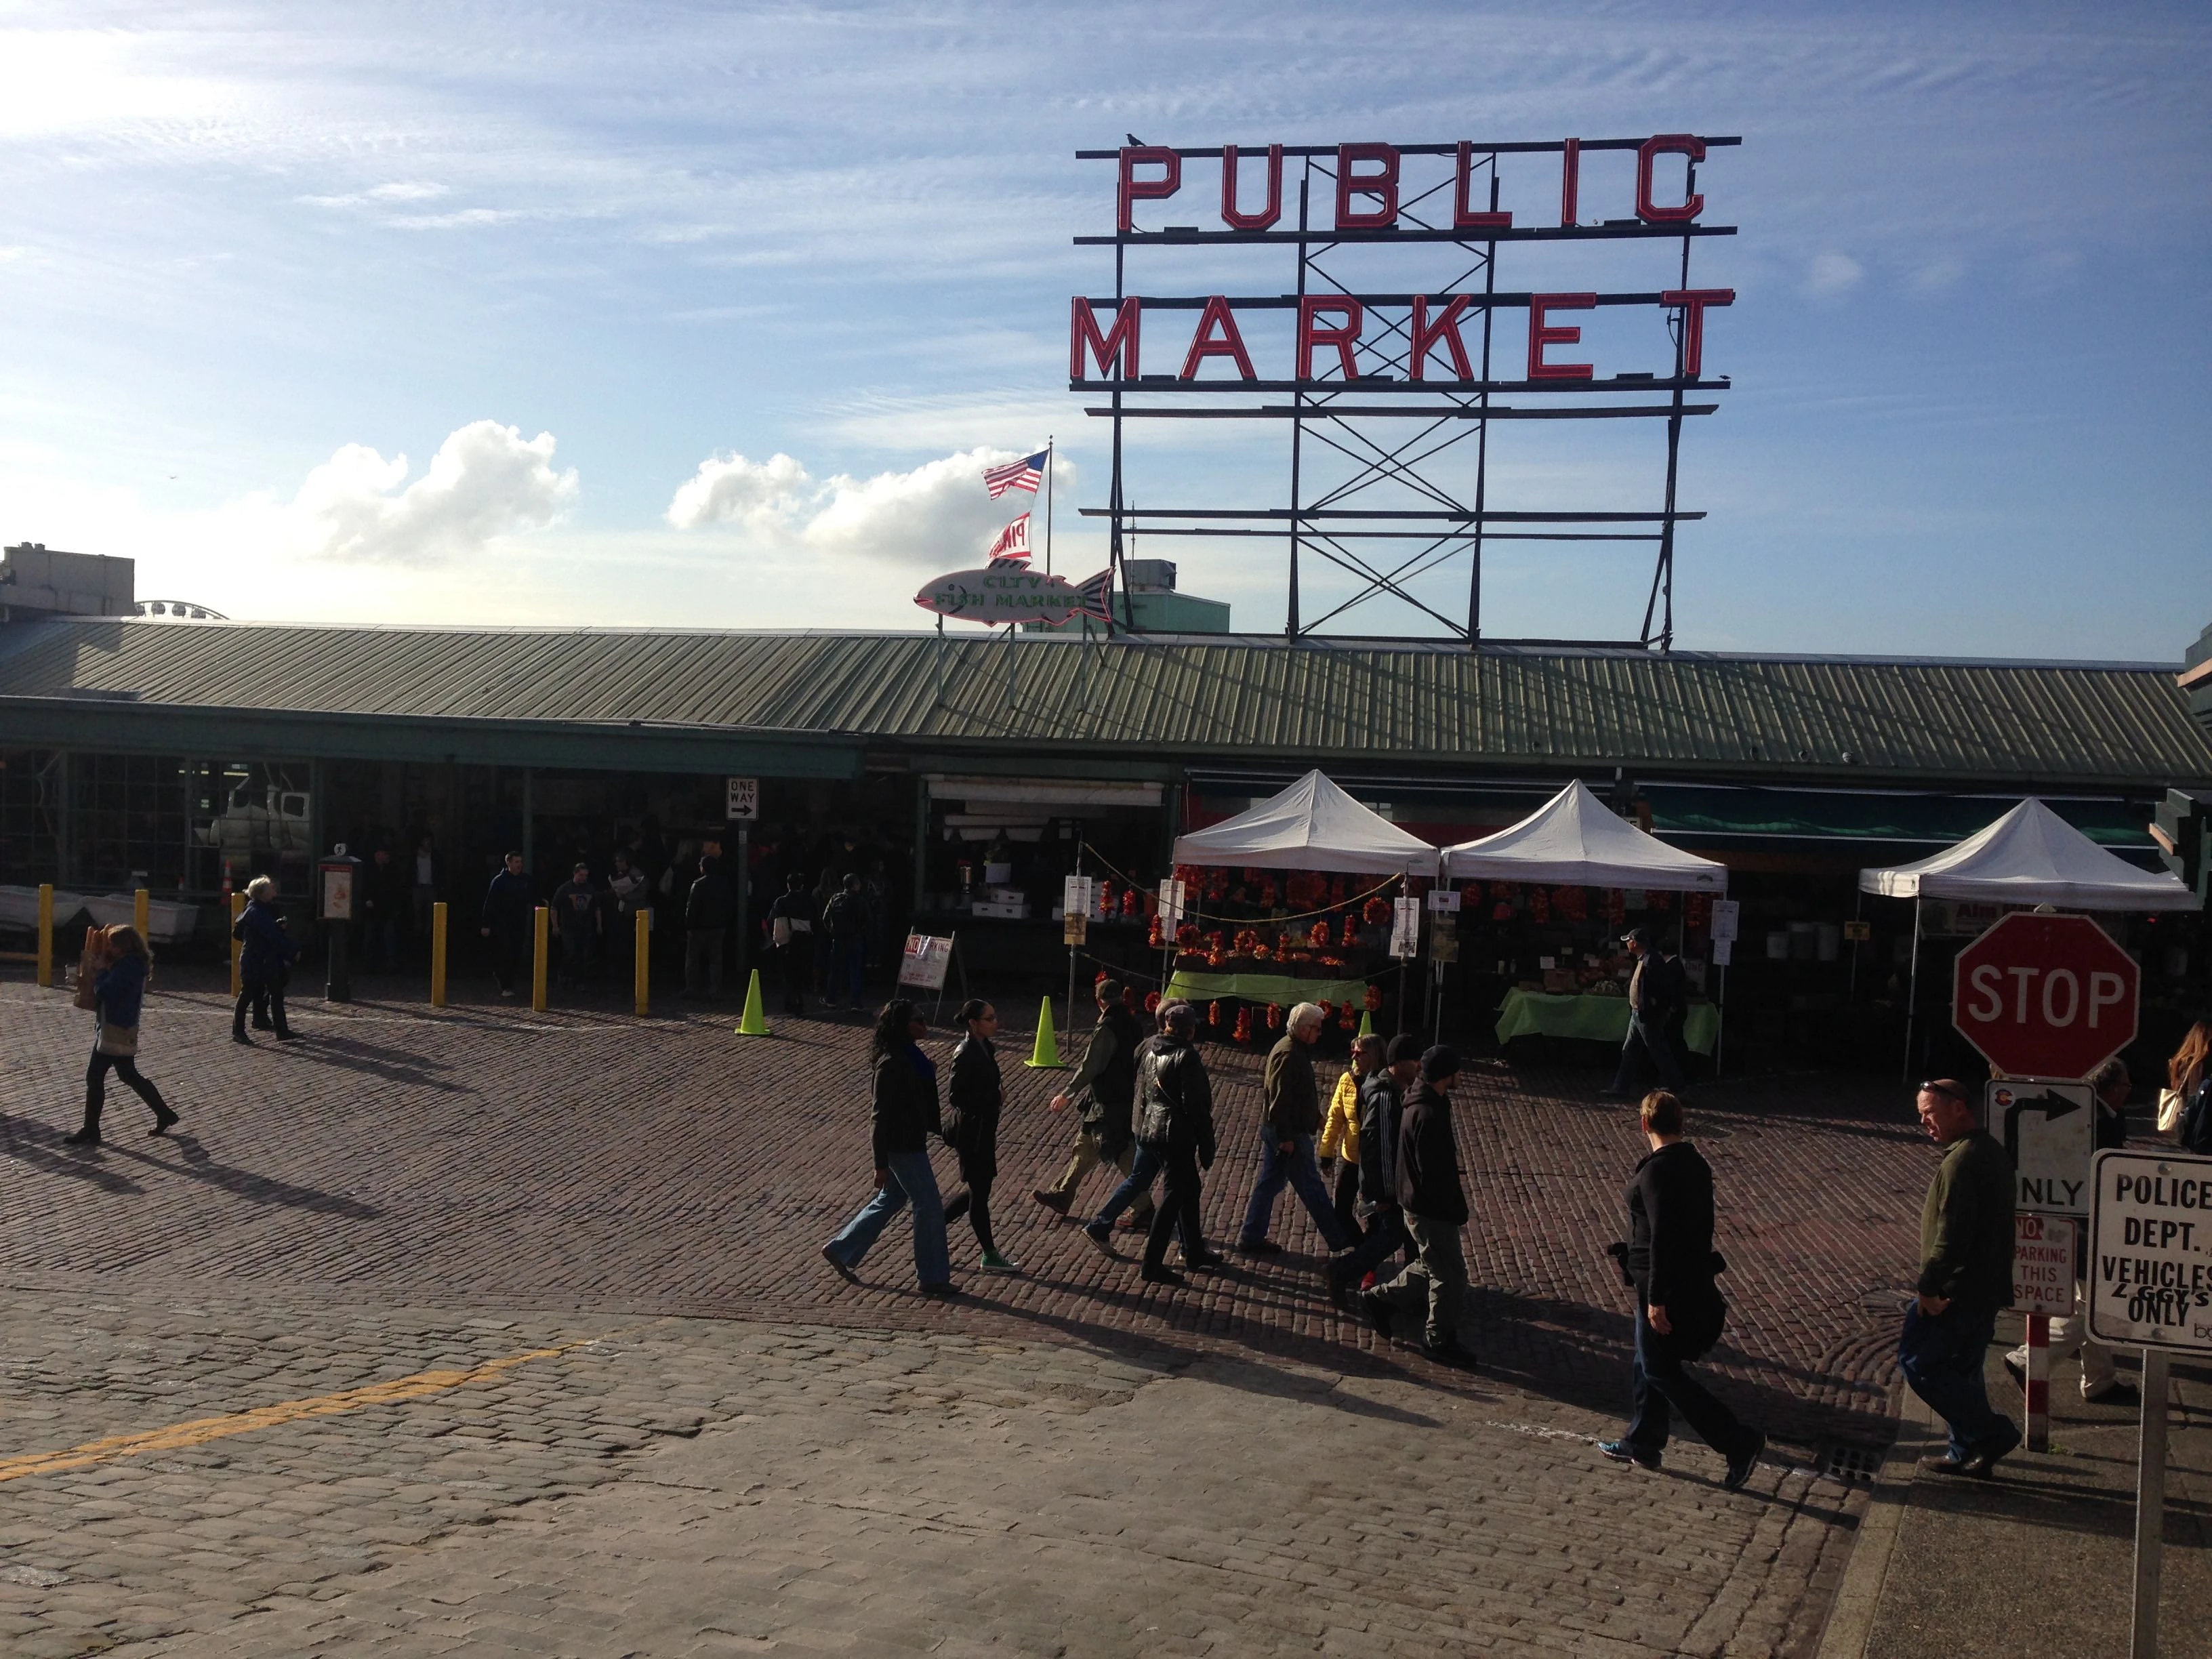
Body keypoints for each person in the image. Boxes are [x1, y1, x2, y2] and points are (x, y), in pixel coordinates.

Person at [1598, 1090, 1764, 1488]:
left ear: (1644, 1124)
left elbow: (1661, 1238)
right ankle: (1643, 1442)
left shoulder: (1658, 1170)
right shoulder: (1695, 1163)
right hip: (1685, 1279)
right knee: (1645, 1361)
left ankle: (1737, 1441)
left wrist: (1655, 1298)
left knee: (1660, 1370)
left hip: (1663, 1287)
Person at [1901, 1078, 2020, 1477]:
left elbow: (1952, 1235)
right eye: (1921, 1115)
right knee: (1964, 1371)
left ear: (1958, 1108)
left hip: (1959, 1291)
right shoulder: (1987, 1153)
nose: (1925, 1123)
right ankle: (1967, 1451)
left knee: (1919, 1363)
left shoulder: (1963, 1161)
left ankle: (1991, 1434)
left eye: (1929, 1113)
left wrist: (1928, 1287)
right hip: (1983, 1287)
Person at [2004, 1058, 2136, 1404]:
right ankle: (2027, 1361)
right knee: (2092, 1308)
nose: (2129, 1091)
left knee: (2094, 1302)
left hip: (2083, 1225)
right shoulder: (2093, 1120)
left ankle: (2100, 1381)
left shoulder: (2098, 1114)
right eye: (2125, 1085)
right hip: (2087, 1227)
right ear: (2110, 1087)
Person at [820, 1000, 954, 1295]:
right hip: (902, 1146)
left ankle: (841, 1249)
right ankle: (932, 1276)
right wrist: (879, 1163)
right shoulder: (892, 1063)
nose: (925, 1024)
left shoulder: (911, 1056)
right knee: (928, 1205)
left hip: (909, 1141)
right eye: (919, 1020)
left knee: (892, 1199)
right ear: (904, 1026)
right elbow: (878, 1117)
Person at [1361, 1044, 1475, 1366]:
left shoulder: (1428, 1102)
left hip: (1421, 1205)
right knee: (1450, 1275)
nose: (1461, 1076)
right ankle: (1438, 1339)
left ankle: (1378, 1300)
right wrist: (1452, 1209)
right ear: (1447, 1074)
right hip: (1430, 1210)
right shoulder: (1427, 1112)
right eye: (1458, 1070)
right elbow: (1433, 1174)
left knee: (1430, 1266)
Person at [1032, 981, 1153, 1230]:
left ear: (1099, 1002)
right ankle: (1063, 1194)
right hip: (1116, 1099)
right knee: (1085, 1145)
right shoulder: (1132, 1024)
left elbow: (1091, 1066)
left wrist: (1068, 1094)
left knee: (1121, 1153)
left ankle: (1144, 1208)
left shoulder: (1107, 1028)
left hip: (1111, 1102)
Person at [1236, 1002, 1353, 1258]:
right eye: (1317, 1029)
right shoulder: (1289, 1055)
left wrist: (1319, 1120)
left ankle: (1251, 1236)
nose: (1319, 1034)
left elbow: (1298, 1096)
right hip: (1288, 1133)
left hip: (1282, 1129)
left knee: (1269, 1184)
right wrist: (1286, 1138)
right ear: (1303, 1029)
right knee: (1312, 1187)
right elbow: (1281, 1101)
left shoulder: (1292, 1051)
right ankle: (1338, 1239)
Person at [1327, 1033, 1421, 1305]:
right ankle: (1342, 1272)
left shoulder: (1396, 1090)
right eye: (1414, 1061)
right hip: (1390, 1187)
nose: (1418, 1067)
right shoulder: (1385, 1097)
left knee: (1402, 1236)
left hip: (1399, 1184)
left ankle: (1414, 1288)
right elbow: (1377, 1148)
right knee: (1393, 1236)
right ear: (1399, 1063)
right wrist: (1386, 1194)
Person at [64, 926, 177, 1145]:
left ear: (124, 946)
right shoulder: (133, 965)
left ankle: (91, 1129)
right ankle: (164, 1113)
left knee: (95, 1078)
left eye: (113, 945)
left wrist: (102, 972)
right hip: (121, 1025)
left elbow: (106, 992)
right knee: (128, 1075)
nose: (110, 948)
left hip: (115, 1026)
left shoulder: (127, 967)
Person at [1134, 1000, 1219, 1286]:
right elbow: (1195, 1106)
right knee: (1172, 1198)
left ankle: (1194, 1251)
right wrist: (1207, 1144)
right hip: (1176, 1136)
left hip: (1153, 1131)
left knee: (1189, 1188)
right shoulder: (1187, 1057)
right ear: (1190, 1031)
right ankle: (1152, 1264)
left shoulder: (1151, 1050)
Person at [942, 998, 1019, 1273]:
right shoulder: (965, 1053)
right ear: (974, 1024)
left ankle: (933, 1225)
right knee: (979, 1192)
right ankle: (989, 1253)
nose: (996, 1022)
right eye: (989, 1018)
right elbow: (956, 1096)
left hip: (984, 1131)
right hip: (972, 1135)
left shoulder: (985, 1047)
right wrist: (994, 1097)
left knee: (979, 1189)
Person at [1604, 926, 1689, 1098]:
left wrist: (1655, 1007)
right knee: (1630, 1051)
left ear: (1634, 942)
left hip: (1646, 1015)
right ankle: (1621, 1087)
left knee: (1659, 1051)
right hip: (1638, 1013)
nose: (1627, 944)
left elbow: (1661, 988)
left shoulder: (1652, 961)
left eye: (1628, 941)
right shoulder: (1644, 958)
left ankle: (1679, 1089)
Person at [1319, 1033, 1384, 1240]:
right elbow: (1335, 1117)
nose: (1354, 1057)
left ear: (1374, 1055)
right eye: (1353, 1052)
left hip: (1377, 1161)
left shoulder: (1386, 1083)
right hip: (1352, 1156)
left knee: (1374, 1213)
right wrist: (1326, 1152)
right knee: (1342, 1209)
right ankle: (1361, 1248)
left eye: (1360, 1053)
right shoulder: (1347, 1080)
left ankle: (1368, 1256)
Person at [232, 875, 299, 1042]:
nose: (273, 893)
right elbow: (272, 936)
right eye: (270, 889)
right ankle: (238, 1031)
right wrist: (292, 951)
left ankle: (281, 1030)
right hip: (257, 960)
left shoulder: (256, 909)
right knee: (248, 994)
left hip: (262, 959)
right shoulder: (257, 912)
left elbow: (243, 932)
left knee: (275, 993)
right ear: (261, 893)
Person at [479, 851, 535, 998]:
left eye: (520, 862)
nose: (519, 865)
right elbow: (489, 903)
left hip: (520, 922)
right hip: (502, 922)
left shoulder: (526, 880)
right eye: (516, 862)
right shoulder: (499, 881)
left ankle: (509, 980)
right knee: (505, 951)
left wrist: (540, 906)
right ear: (508, 863)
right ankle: (505, 984)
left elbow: (533, 898)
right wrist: (486, 924)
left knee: (516, 952)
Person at [766, 872, 817, 1016]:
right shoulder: (809, 901)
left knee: (787, 973)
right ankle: (798, 999)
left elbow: (771, 921)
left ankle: (790, 1000)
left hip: (786, 943)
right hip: (804, 941)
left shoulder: (780, 902)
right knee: (800, 972)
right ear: (802, 886)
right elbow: (816, 922)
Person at [683, 854, 733, 998]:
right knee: (716, 959)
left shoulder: (698, 885)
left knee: (693, 958)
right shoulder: (724, 883)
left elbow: (692, 907)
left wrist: (689, 924)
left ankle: (691, 988)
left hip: (699, 927)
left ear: (703, 868)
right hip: (718, 926)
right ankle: (715, 988)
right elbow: (728, 905)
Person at [821, 874, 870, 1010]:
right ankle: (855, 1002)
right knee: (855, 971)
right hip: (855, 939)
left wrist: (832, 931)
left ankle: (831, 999)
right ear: (854, 885)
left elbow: (826, 917)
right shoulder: (861, 901)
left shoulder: (836, 898)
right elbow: (867, 921)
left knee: (835, 970)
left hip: (838, 939)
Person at [550, 862, 602, 987]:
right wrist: (555, 925)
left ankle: (578, 980)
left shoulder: (590, 889)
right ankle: (564, 973)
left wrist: (599, 924)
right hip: (568, 926)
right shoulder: (565, 888)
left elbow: (597, 908)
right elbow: (554, 907)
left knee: (583, 955)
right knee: (570, 952)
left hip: (585, 926)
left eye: (585, 875)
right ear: (575, 874)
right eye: (581, 875)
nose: (583, 878)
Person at [2166, 1019, 2211, 1144]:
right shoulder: (2200, 1065)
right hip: (2198, 1124)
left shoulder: (2181, 1062)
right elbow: (2196, 1095)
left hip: (2182, 1121)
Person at [607, 850, 651, 965]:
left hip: (633, 911)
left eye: (618, 861)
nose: (616, 864)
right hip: (620, 910)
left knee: (630, 939)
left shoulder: (638, 874)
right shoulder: (618, 874)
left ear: (624, 862)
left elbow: (642, 892)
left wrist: (626, 897)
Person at [410, 834, 443, 950]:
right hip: (418, 886)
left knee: (431, 910)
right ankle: (417, 932)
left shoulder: (435, 855)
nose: (427, 844)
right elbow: (411, 869)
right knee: (417, 910)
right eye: (425, 841)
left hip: (431, 886)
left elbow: (439, 869)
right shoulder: (415, 854)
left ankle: (429, 933)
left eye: (429, 842)